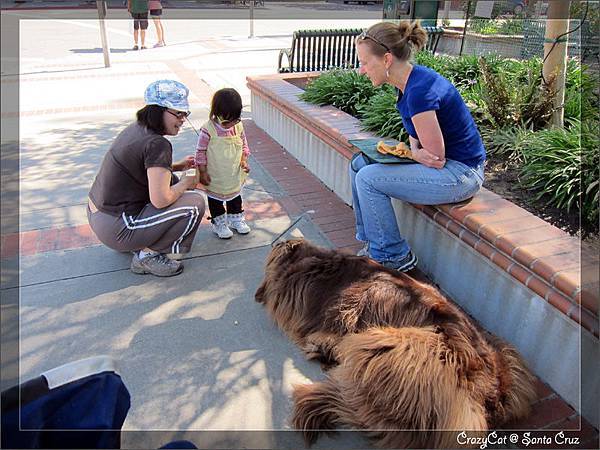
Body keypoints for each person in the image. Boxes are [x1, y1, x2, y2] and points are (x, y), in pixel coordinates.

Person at [351, 21, 486, 272]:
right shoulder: (410, 82)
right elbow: (416, 138)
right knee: (359, 164)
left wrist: (414, 153)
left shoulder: (419, 92)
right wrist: (414, 150)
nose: (361, 70)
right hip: (450, 167)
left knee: (368, 178)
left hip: (461, 174)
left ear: (387, 59)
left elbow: (435, 156)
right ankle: (374, 242)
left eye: (365, 62)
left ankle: (393, 256)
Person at [88, 80, 205, 277]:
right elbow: (161, 200)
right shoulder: (157, 144)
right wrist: (187, 183)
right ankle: (147, 256)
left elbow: (141, 169)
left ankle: (141, 243)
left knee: (172, 180)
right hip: (118, 227)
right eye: (178, 113)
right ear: (158, 111)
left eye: (185, 113)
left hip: (99, 216)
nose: (183, 119)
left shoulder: (137, 129)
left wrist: (176, 167)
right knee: (194, 203)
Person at [194, 88, 251, 239]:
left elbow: (244, 144)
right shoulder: (208, 130)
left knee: (235, 195)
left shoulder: (238, 126)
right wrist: (203, 172)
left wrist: (244, 160)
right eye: (226, 121)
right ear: (216, 113)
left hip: (233, 171)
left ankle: (236, 219)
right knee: (215, 199)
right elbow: (200, 152)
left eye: (235, 120)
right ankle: (219, 223)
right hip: (215, 172)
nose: (231, 124)